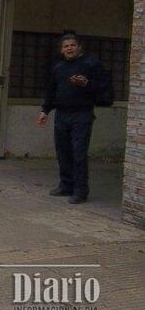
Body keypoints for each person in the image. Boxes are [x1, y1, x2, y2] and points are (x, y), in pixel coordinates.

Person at [37, 33, 109, 204]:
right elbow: (51, 92)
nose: (69, 48)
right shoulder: (58, 68)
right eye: (66, 46)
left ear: (79, 47)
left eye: (72, 45)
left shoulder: (91, 65)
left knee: (78, 153)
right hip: (62, 114)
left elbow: (104, 90)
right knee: (63, 151)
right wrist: (45, 111)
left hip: (82, 114)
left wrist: (86, 84)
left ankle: (80, 191)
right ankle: (66, 186)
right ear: (62, 50)